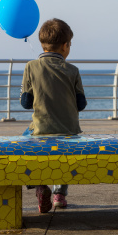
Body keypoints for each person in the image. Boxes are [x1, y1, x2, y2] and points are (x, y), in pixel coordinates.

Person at [20, 18, 87, 213]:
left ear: (42, 44)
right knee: (65, 155)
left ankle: (40, 186)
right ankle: (59, 194)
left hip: (40, 130)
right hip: (69, 131)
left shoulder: (30, 67)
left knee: (24, 144)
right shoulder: (73, 70)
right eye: (70, 45)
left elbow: (25, 103)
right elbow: (81, 104)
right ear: (65, 46)